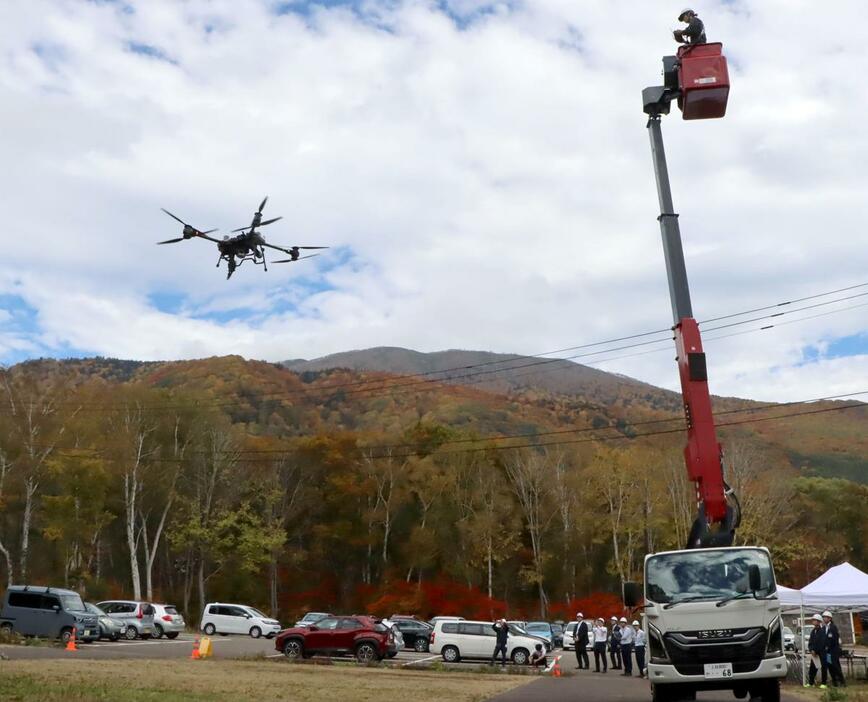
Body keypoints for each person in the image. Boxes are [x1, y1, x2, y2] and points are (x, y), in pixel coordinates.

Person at [823, 611, 846, 687]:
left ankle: (842, 681)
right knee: (830, 666)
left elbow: (833, 639)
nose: (824, 618)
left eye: (825, 617)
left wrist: (827, 647)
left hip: (833, 650)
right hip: (827, 651)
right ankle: (835, 682)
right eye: (823, 617)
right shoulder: (824, 627)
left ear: (829, 618)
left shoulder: (833, 627)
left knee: (835, 666)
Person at [808, 614, 827, 687]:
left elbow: (822, 643)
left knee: (823, 668)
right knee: (812, 668)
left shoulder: (822, 631)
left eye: (814, 620)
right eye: (813, 620)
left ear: (819, 621)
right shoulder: (813, 631)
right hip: (814, 654)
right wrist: (811, 650)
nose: (813, 621)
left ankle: (824, 683)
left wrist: (815, 650)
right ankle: (811, 683)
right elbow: (810, 642)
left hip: (821, 653)